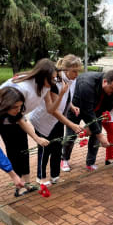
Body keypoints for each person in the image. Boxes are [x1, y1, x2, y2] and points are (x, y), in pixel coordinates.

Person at [0, 59, 69, 196]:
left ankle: (27, 183)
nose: (54, 81)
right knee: (15, 152)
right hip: (5, 119)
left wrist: (61, 95)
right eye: (52, 78)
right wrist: (37, 138)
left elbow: (50, 109)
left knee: (24, 150)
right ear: (43, 76)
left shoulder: (45, 86)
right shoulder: (23, 88)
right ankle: (19, 186)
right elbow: (15, 115)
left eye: (55, 78)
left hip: (19, 116)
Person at [29, 55, 83, 185]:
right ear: (66, 70)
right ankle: (40, 177)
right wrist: (72, 125)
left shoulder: (70, 80)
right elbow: (53, 109)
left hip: (58, 120)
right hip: (45, 119)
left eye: (78, 71)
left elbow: (66, 99)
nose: (77, 74)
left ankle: (55, 175)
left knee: (57, 147)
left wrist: (72, 106)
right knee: (45, 148)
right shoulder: (54, 82)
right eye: (74, 71)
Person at [61, 70, 113, 171]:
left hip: (95, 111)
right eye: (112, 88)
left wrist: (94, 129)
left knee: (96, 135)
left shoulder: (112, 90)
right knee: (71, 135)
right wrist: (98, 133)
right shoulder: (87, 84)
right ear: (105, 82)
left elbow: (107, 106)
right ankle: (64, 159)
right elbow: (87, 110)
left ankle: (90, 162)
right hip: (77, 107)